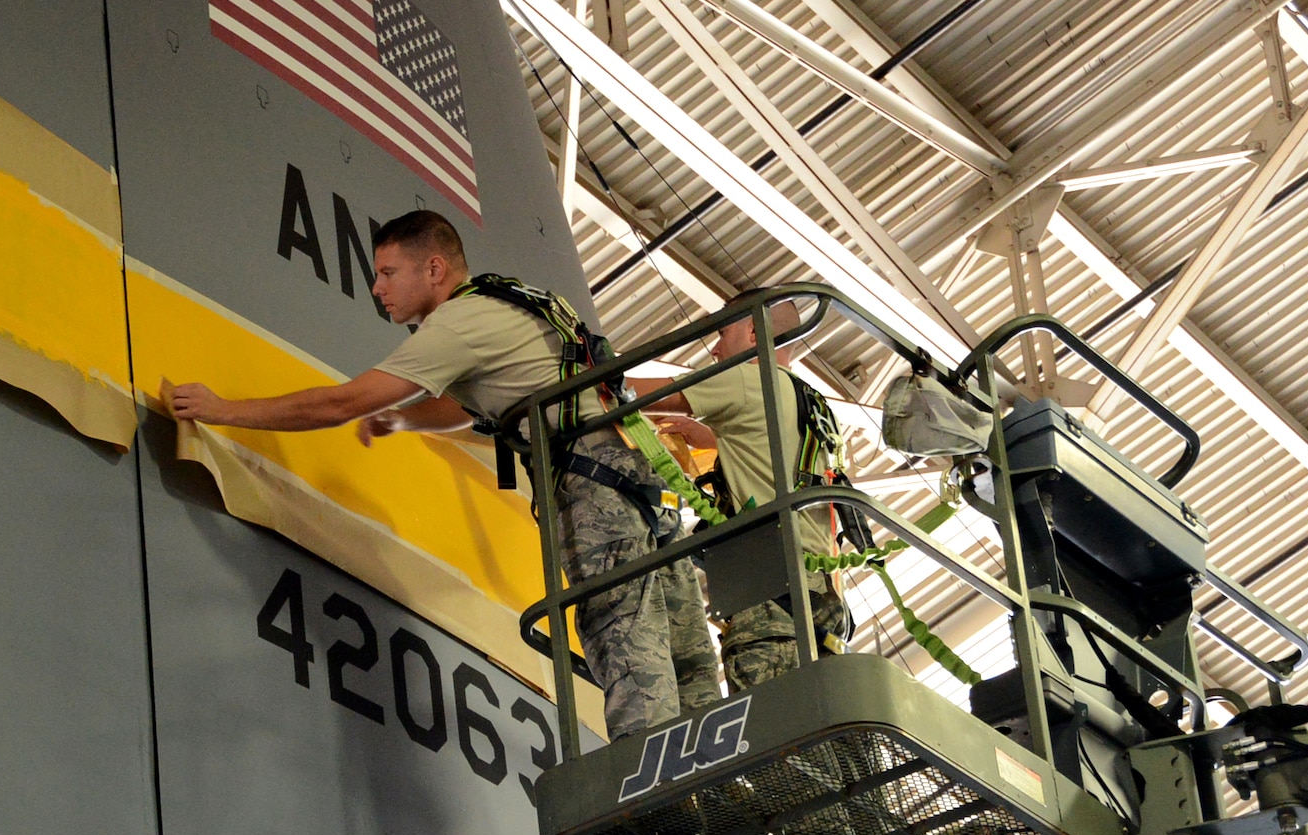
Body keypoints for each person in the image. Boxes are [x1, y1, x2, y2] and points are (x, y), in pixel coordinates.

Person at [161, 210, 720, 739]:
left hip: (594, 486)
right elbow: (486, 401)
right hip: (645, 483)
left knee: (623, 636)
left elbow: (338, 404)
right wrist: (404, 421)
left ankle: (658, 792)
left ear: (434, 269)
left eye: (387, 272)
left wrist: (222, 409)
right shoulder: (506, 303)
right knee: (687, 652)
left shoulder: (458, 323)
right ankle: (718, 788)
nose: (377, 288)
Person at [629, 298, 856, 695]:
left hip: (772, 607)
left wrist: (580, 375)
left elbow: (634, 394)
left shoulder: (750, 379)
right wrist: (717, 440)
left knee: (776, 741)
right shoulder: (814, 404)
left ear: (754, 334)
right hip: (820, 605)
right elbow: (778, 464)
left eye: (723, 334)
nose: (715, 350)